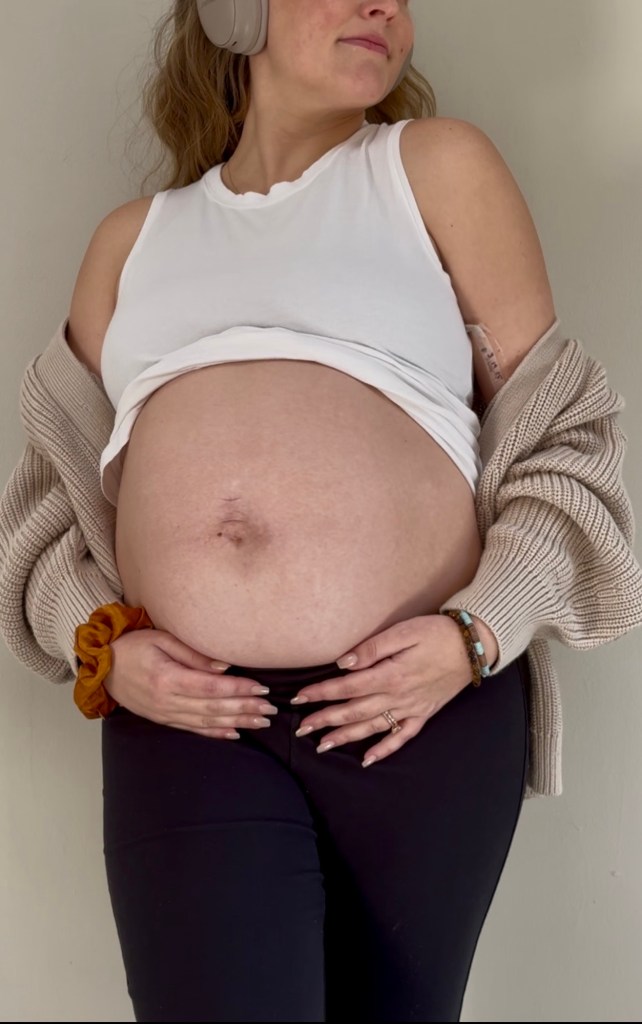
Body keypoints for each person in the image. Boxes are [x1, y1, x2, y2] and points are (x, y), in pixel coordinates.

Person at [1, 1, 641, 1021]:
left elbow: (567, 442)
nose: (382, 3)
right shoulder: (132, 244)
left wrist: (477, 633)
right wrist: (101, 647)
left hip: (415, 712)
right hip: (191, 724)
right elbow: (42, 523)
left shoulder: (435, 170)